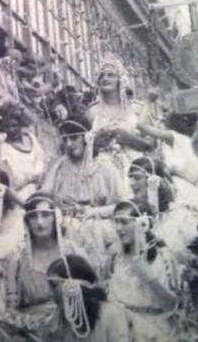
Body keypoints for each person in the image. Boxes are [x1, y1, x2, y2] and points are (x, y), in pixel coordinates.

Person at [41, 116, 126, 276]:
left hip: (100, 224)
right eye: (65, 140)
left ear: (87, 138)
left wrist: (93, 212)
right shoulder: (60, 168)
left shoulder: (105, 167)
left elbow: (121, 206)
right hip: (67, 225)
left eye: (73, 138)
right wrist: (57, 164)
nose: (68, 144)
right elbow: (44, 196)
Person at [1, 192, 89, 340]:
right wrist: (32, 323)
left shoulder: (72, 254)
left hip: (73, 332)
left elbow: (91, 299)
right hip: (33, 334)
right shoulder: (17, 260)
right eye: (34, 217)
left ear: (55, 218)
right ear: (27, 221)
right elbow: (10, 311)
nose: (40, 222)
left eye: (45, 215)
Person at [107, 201, 180, 342]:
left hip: (155, 333)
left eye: (124, 222)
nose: (118, 228)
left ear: (142, 223)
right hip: (122, 333)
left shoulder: (163, 258)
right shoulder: (115, 258)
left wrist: (148, 277)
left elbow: (172, 305)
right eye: (116, 222)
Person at [88, 54, 155, 185]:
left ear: (120, 80)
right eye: (102, 75)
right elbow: (85, 147)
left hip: (134, 169)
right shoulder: (92, 111)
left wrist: (126, 137)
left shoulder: (137, 108)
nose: (105, 79)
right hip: (101, 172)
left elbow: (151, 144)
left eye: (111, 75)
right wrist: (100, 137)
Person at [128, 157, 198, 265]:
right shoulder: (131, 215)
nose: (131, 183)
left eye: (137, 178)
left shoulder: (181, 217)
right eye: (130, 178)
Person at [46, 254, 131, 341]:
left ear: (73, 287)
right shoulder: (60, 321)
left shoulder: (111, 313)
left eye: (53, 286)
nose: (50, 293)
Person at [0, 101, 45, 202]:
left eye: (14, 125)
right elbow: (12, 182)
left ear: (21, 125)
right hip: (23, 196)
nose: (11, 130)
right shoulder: (5, 149)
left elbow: (41, 160)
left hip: (42, 188)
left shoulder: (31, 138)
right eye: (7, 127)